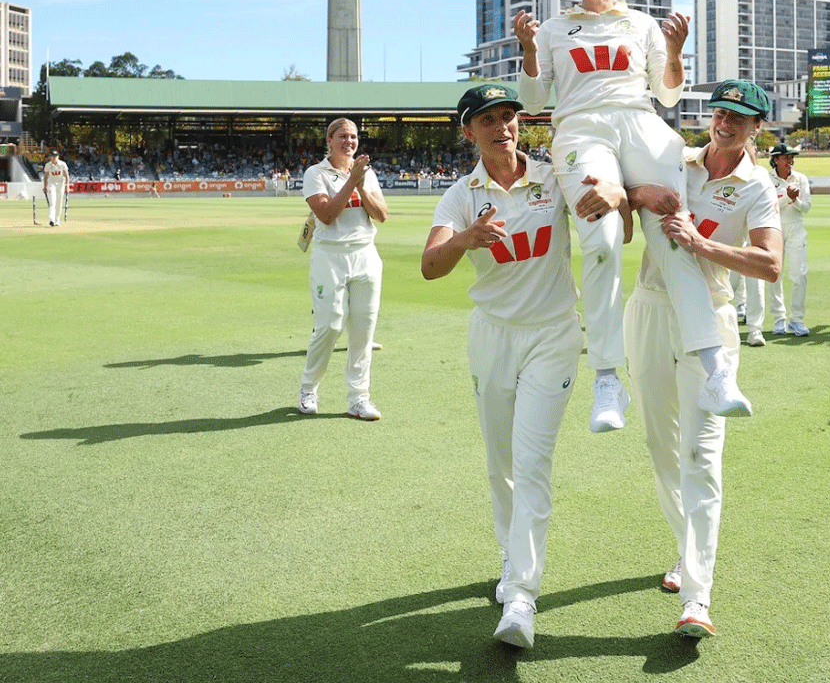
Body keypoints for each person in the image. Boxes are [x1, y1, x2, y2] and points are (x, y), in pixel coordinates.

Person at [422, 84, 629, 649]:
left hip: (554, 336)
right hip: (492, 337)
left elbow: (615, 216)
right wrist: (466, 238)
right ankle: (511, 553)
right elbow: (430, 266)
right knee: (502, 463)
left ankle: (520, 596)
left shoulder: (552, 177)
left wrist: (615, 192)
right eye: (488, 119)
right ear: (468, 131)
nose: (502, 127)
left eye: (509, 116)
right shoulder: (460, 196)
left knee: (533, 462)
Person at [514, 0, 750, 432]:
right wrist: (529, 51)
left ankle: (716, 369)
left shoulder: (641, 24)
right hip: (581, 128)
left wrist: (675, 50)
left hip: (641, 123)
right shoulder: (554, 28)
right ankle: (607, 379)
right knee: (601, 241)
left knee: (676, 235)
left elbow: (668, 93)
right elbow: (533, 100)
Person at [623, 80, 782, 638]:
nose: (726, 123)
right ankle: (685, 550)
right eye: (720, 112)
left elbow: (770, 265)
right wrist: (640, 195)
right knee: (661, 447)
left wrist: (701, 243)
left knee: (702, 455)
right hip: (648, 306)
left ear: (757, 127)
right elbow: (621, 198)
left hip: (711, 318)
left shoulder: (758, 186)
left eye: (740, 117)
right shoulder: (676, 161)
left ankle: (698, 596)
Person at [297, 118, 388, 420]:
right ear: (329, 140)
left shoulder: (366, 174)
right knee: (330, 326)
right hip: (330, 256)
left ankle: (359, 398)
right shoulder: (316, 173)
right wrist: (352, 181)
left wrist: (361, 184)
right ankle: (308, 388)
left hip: (365, 254)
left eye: (353, 136)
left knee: (363, 329)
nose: (349, 141)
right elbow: (326, 215)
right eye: (342, 136)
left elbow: (381, 214)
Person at [746, 145, 811, 346]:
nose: (790, 160)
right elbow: (769, 205)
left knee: (800, 274)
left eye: (792, 157)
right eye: (786, 157)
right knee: (775, 276)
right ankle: (779, 318)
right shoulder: (767, 179)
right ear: (775, 160)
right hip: (774, 229)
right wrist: (786, 198)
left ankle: (797, 320)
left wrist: (796, 200)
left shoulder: (800, 178)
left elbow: (806, 207)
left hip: (796, 228)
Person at [42, 149, 70, 226]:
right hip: (52, 184)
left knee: (59, 202)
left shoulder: (62, 164)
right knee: (52, 202)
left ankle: (57, 219)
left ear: (58, 156)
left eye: (55, 156)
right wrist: (45, 186)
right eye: (53, 156)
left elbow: (67, 176)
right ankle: (51, 219)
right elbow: (45, 177)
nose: (54, 158)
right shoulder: (48, 165)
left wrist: (67, 186)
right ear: (50, 157)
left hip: (61, 184)